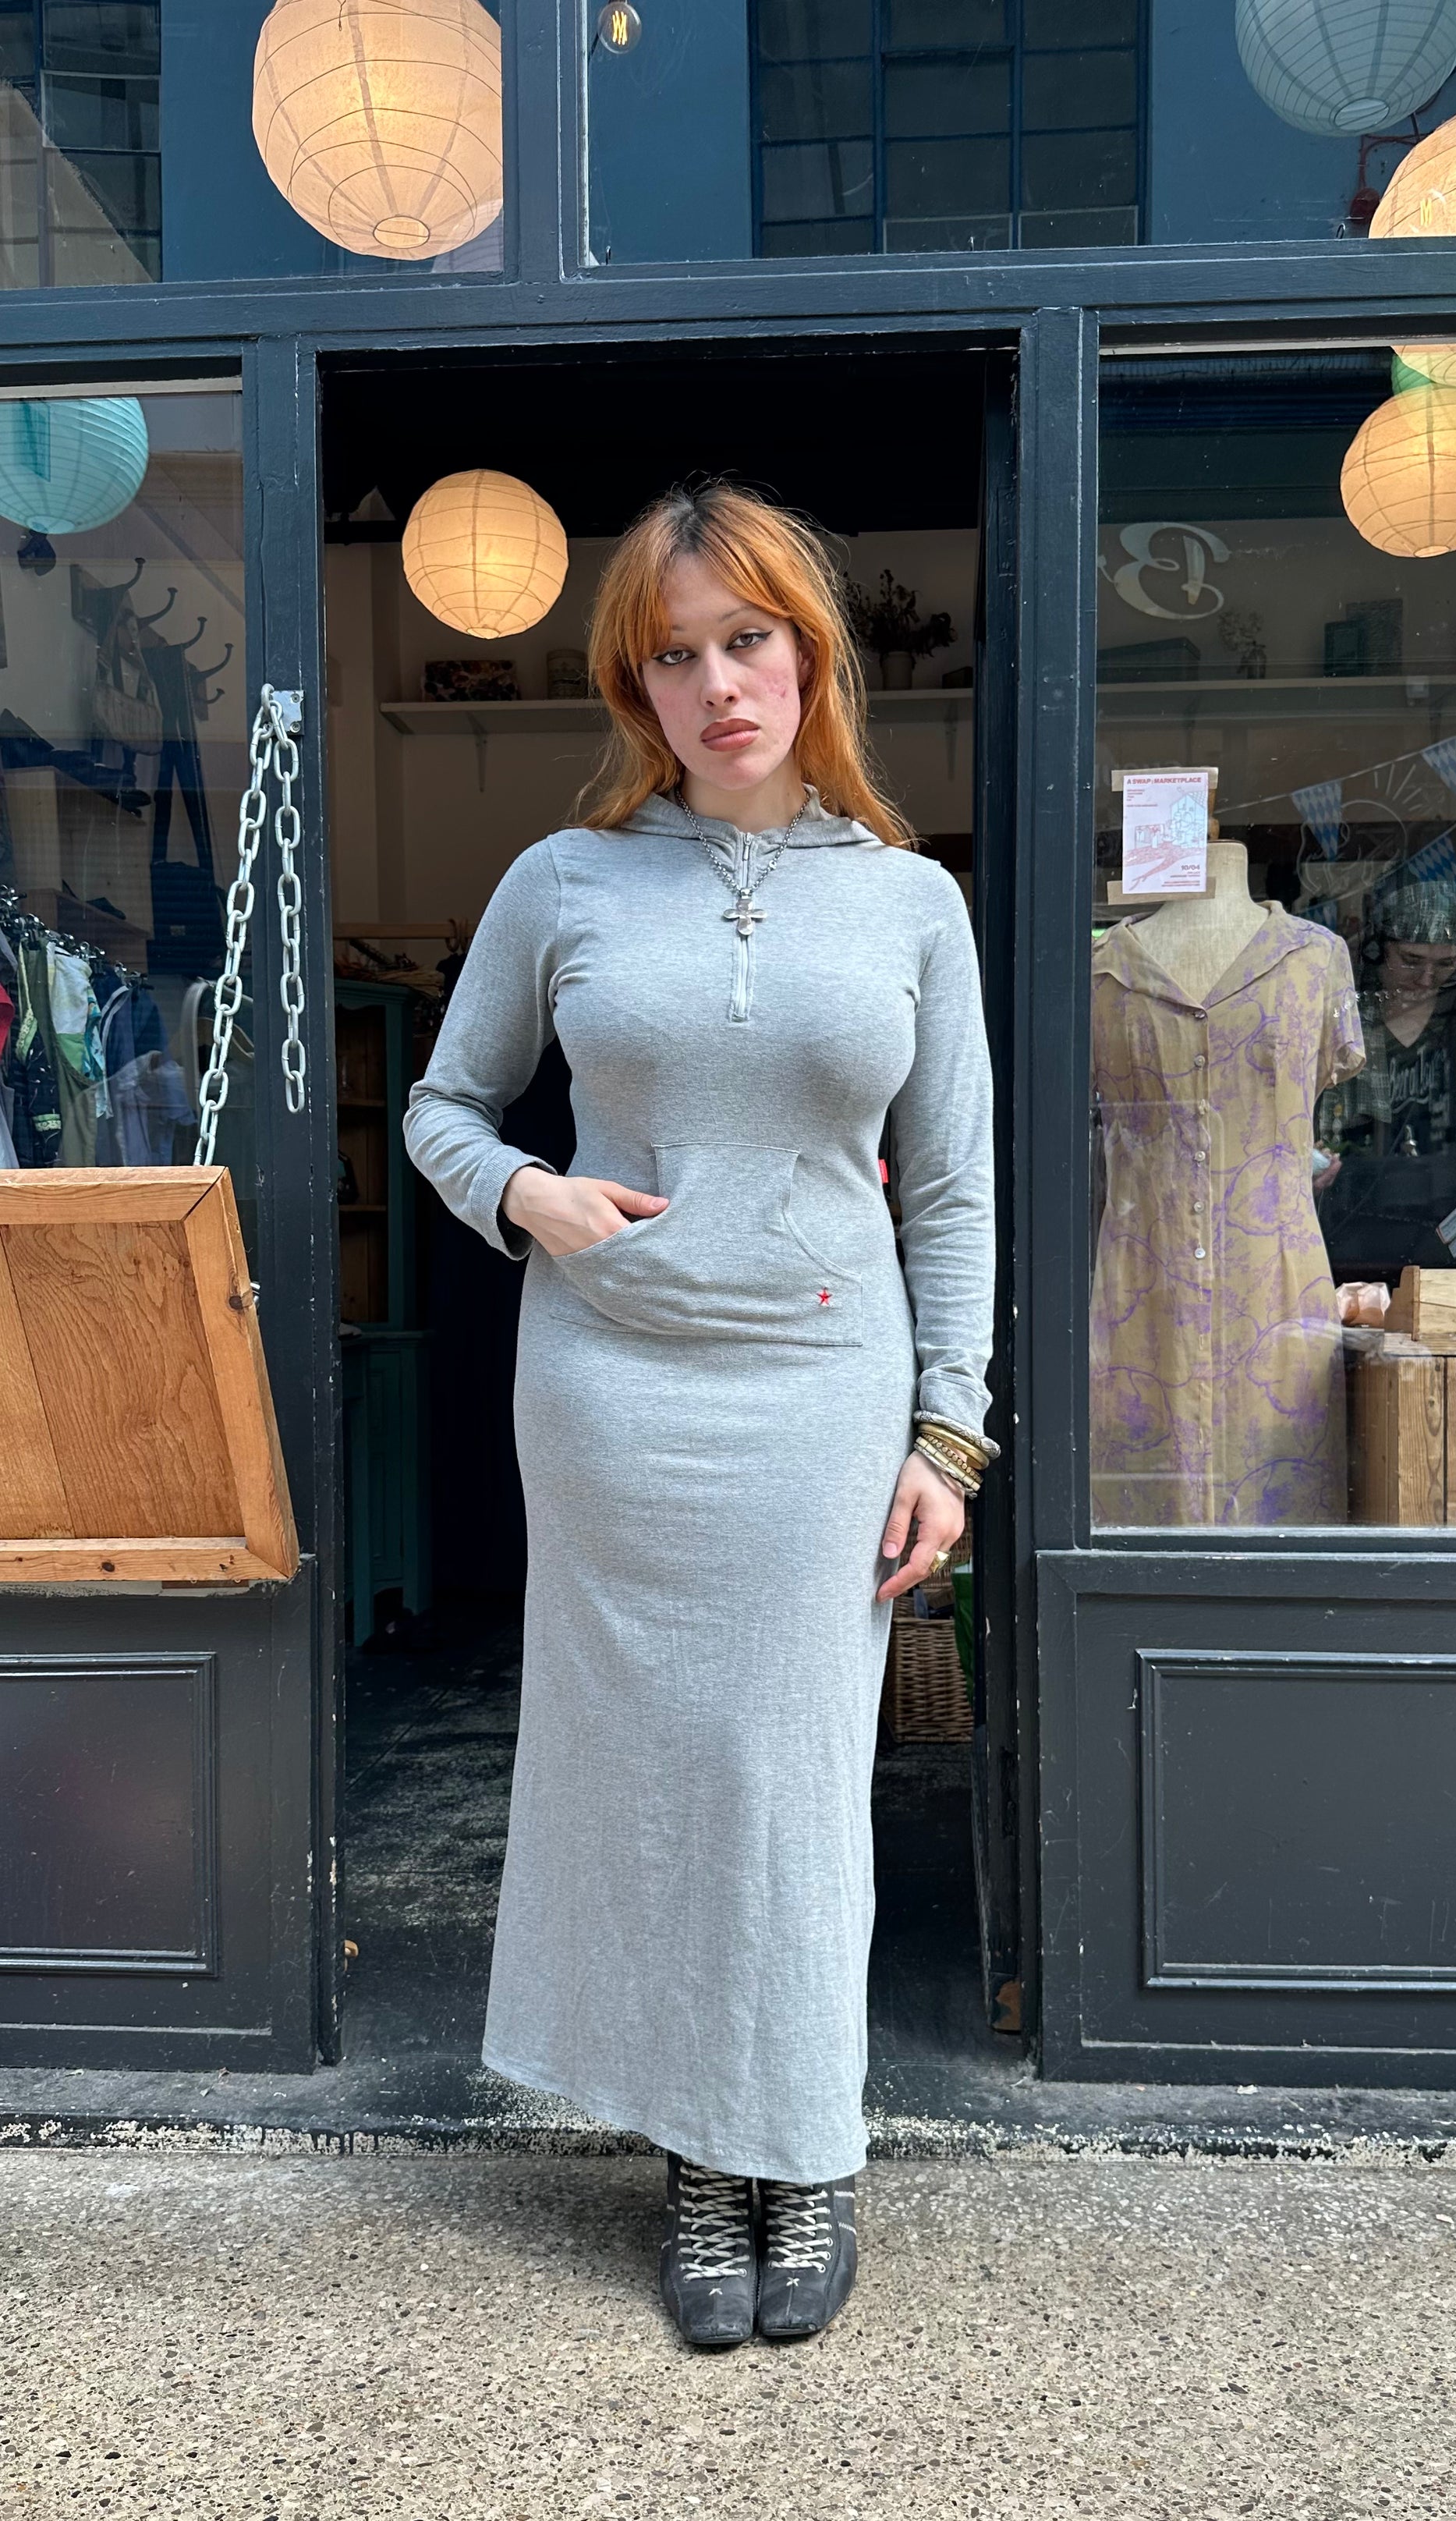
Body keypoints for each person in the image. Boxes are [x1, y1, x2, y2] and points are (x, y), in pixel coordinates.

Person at [403, 484, 997, 2349]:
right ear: (634, 685)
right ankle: (696, 2154)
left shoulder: (909, 901)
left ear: (809, 657)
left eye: (749, 640)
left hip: (821, 1391)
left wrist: (949, 1434)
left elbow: (952, 1190)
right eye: (675, 654)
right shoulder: (564, 881)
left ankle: (800, 2152)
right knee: (653, 1775)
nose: (718, 684)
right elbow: (441, 1108)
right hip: (609, 1394)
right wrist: (529, 1194)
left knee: (792, 1779)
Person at [1316, 866, 1456, 1279]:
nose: (1427, 979)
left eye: (1446, 964)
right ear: (1378, 947)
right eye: (1411, 960)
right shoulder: (1339, 1017)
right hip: (1338, 1242)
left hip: (1447, 1251)